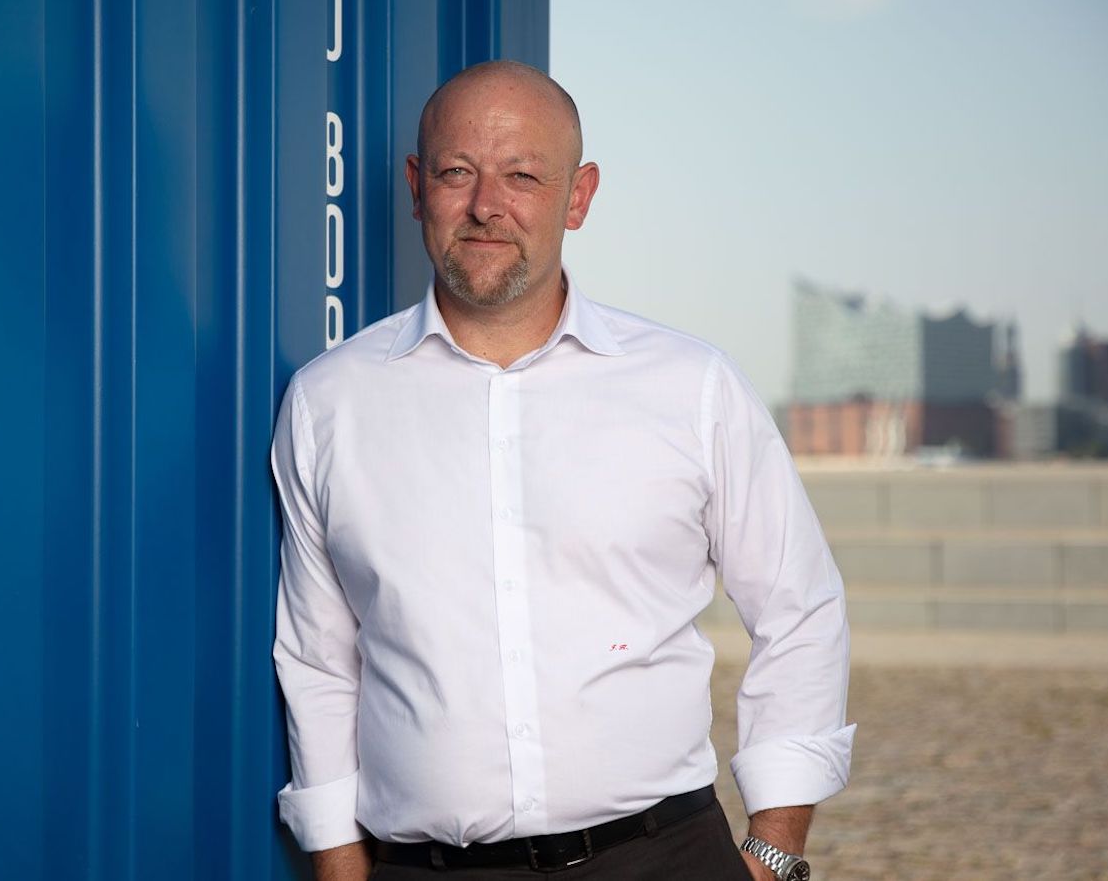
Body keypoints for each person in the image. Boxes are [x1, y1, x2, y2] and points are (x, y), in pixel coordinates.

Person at [271, 60, 854, 881]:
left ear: (578, 197)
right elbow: (319, 655)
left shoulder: (692, 387)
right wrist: (337, 862)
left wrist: (773, 849)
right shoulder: (329, 403)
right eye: (456, 172)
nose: (485, 206)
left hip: (664, 858)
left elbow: (801, 610)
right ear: (415, 186)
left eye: (523, 176)